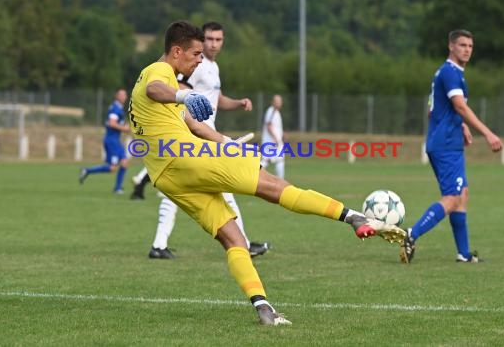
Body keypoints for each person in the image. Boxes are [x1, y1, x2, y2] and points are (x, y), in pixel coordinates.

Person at [128, 20, 405, 326]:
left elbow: (192, 125)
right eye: (195, 53)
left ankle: (263, 308)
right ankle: (353, 216)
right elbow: (157, 90)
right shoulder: (160, 73)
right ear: (177, 51)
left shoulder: (152, 79)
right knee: (273, 186)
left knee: (234, 239)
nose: (200, 59)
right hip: (188, 159)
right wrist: (183, 96)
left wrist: (227, 144)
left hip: (167, 177)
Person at [142, 21, 269, 259]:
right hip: (194, 134)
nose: (213, 44)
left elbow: (217, 99)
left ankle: (159, 245)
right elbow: (175, 91)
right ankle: (242, 243)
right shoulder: (194, 65)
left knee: (178, 191)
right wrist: (188, 122)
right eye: (209, 39)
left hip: (208, 134)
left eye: (218, 40)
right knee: (225, 185)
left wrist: (238, 103)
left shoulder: (212, 66)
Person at [400, 29, 503, 264]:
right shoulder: (450, 72)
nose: (467, 49)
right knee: (452, 197)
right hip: (445, 144)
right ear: (451, 46)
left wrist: (463, 128)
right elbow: (459, 107)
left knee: (462, 194)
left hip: (448, 141)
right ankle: (410, 235)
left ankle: (463, 253)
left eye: (470, 46)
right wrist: (487, 133)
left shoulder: (450, 73)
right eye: (462, 45)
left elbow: (434, 109)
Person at [79, 89, 130, 193]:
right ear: (116, 96)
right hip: (111, 141)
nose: (124, 96)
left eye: (125, 94)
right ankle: (87, 170)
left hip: (116, 141)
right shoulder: (115, 108)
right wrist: (124, 128)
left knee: (125, 162)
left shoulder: (118, 108)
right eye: (121, 94)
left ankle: (118, 188)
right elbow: (112, 123)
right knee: (112, 168)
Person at [260, 94, 285, 178]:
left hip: (273, 141)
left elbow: (275, 127)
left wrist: (281, 134)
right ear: (273, 102)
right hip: (272, 141)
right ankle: (281, 181)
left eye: (280, 101)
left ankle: (256, 175)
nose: (279, 103)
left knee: (268, 160)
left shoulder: (276, 112)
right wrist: (276, 138)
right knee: (277, 160)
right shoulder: (272, 111)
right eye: (277, 101)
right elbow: (269, 126)